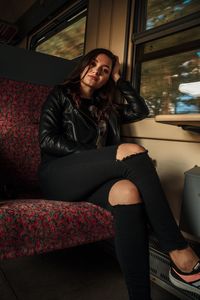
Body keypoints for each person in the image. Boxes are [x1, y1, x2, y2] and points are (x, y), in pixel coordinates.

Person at [38, 48, 200, 300]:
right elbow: (47, 140)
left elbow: (140, 109)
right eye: (92, 64)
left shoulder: (108, 108)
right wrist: (94, 154)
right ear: (82, 66)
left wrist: (119, 80)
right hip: (58, 175)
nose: (96, 72)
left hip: (94, 181)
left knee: (128, 191)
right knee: (132, 152)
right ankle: (180, 253)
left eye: (104, 70)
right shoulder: (61, 95)